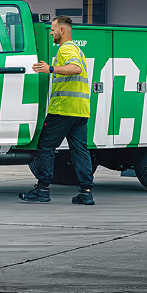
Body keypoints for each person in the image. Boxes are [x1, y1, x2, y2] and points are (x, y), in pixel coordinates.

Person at [18, 15, 94, 205]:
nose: (51, 32)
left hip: (63, 109)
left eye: (53, 29)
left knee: (45, 147)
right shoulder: (77, 49)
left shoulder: (67, 48)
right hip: (80, 111)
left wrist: (50, 68)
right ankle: (86, 192)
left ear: (62, 30)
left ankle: (42, 190)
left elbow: (75, 69)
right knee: (80, 151)